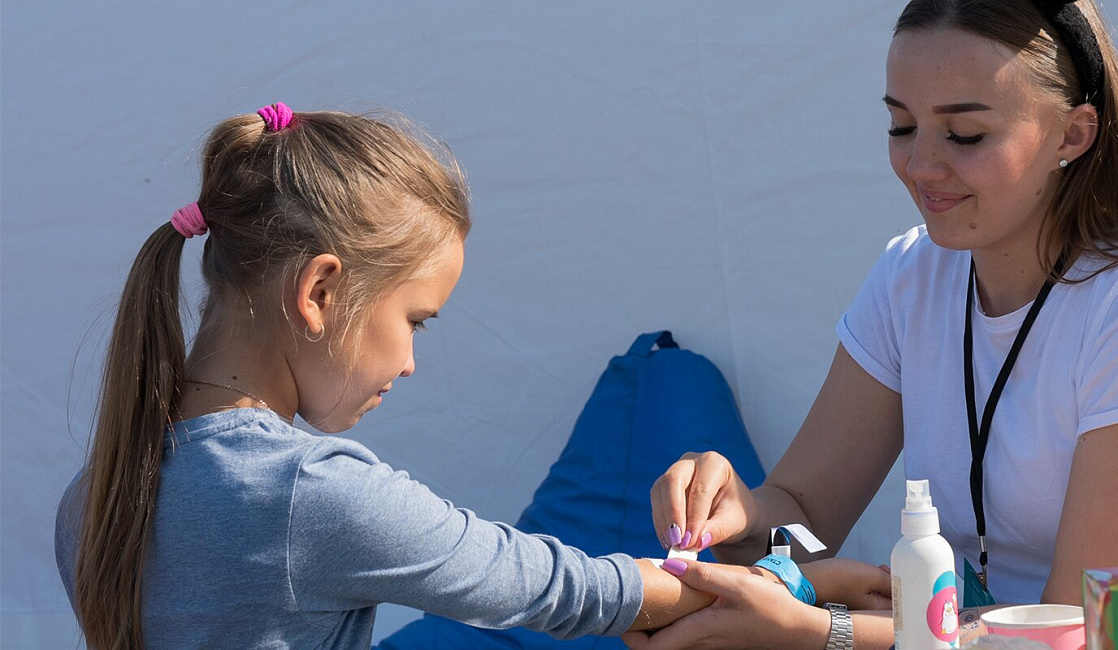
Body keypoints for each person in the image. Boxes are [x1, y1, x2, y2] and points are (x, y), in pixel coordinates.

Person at [54, 103, 891, 649]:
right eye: (413, 321)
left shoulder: (95, 495)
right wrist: (800, 591)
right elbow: (562, 587)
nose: (412, 361)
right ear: (319, 291)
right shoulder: (312, 493)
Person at [629, 1, 1118, 648]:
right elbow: (804, 516)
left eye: (965, 134)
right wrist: (740, 510)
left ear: (1072, 134)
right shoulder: (910, 277)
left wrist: (823, 628)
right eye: (900, 125)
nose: (920, 165)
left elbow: (1075, 631)